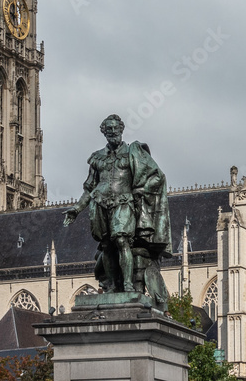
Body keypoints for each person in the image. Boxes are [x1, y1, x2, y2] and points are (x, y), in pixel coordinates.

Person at [64, 114, 171, 305]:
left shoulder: (133, 152)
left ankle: (128, 285)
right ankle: (112, 286)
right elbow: (89, 188)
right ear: (104, 132)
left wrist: (142, 190)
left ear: (121, 129)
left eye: (115, 128)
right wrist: (77, 208)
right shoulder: (97, 158)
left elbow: (158, 176)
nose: (112, 132)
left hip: (123, 203)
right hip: (99, 203)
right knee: (106, 245)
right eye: (109, 129)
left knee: (122, 241)